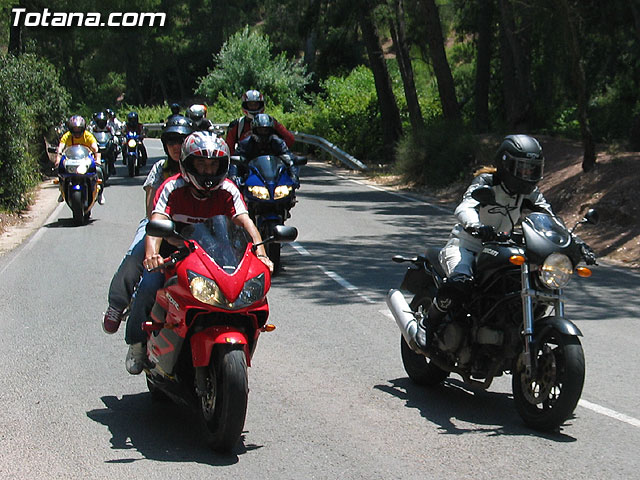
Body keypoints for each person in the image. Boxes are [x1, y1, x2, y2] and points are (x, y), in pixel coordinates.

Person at [124, 131, 273, 374]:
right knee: (149, 285)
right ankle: (137, 343)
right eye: (201, 164)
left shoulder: (229, 189)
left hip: (214, 255)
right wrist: (152, 255)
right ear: (188, 164)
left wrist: (262, 254)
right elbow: (157, 222)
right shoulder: (171, 187)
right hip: (174, 253)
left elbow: (246, 223)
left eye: (213, 165)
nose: (208, 171)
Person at [415, 134, 554, 351]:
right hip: (467, 245)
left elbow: (549, 217)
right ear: (505, 164)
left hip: (501, 249)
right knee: (461, 282)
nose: (527, 174)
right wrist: (475, 226)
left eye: (532, 169)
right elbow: (465, 207)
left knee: (530, 281)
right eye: (522, 168)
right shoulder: (487, 182)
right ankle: (428, 323)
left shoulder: (529, 193)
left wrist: (571, 240)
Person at [102, 115, 194, 334]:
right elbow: (151, 211)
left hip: (193, 232)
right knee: (138, 263)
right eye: (171, 141)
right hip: (159, 227)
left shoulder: (202, 168)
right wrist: (163, 234)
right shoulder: (160, 169)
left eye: (181, 141)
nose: (176, 146)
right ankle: (119, 308)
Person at [233, 113, 298, 186]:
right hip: (250, 178)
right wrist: (234, 178)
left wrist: (294, 177)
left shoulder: (278, 143)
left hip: (275, 179)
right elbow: (234, 162)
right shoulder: (245, 143)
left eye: (266, 130)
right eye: (260, 130)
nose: (263, 133)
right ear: (254, 130)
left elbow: (289, 159)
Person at [225, 89, 294, 155]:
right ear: (245, 105)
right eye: (250, 105)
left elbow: (289, 139)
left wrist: (278, 152)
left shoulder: (270, 121)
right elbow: (229, 148)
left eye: (256, 104)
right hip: (247, 160)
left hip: (269, 160)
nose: (253, 107)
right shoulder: (237, 124)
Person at [56, 115, 105, 205]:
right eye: (75, 129)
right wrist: (58, 159)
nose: (77, 132)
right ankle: (62, 190)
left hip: (86, 161)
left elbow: (95, 148)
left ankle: (100, 193)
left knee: (99, 171)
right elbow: (60, 147)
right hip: (71, 161)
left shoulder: (88, 136)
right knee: (60, 171)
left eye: (79, 129)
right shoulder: (67, 136)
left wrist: (97, 159)